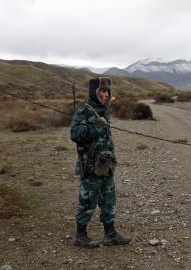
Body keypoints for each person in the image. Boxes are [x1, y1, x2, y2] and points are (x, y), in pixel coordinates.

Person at [70, 77, 131, 248]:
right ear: (94, 92)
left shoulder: (104, 110)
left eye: (107, 91)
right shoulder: (84, 110)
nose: (105, 95)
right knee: (88, 200)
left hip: (105, 163)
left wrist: (114, 159)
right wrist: (97, 127)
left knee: (108, 198)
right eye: (102, 91)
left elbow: (107, 139)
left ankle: (110, 234)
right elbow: (75, 133)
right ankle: (80, 236)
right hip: (90, 165)